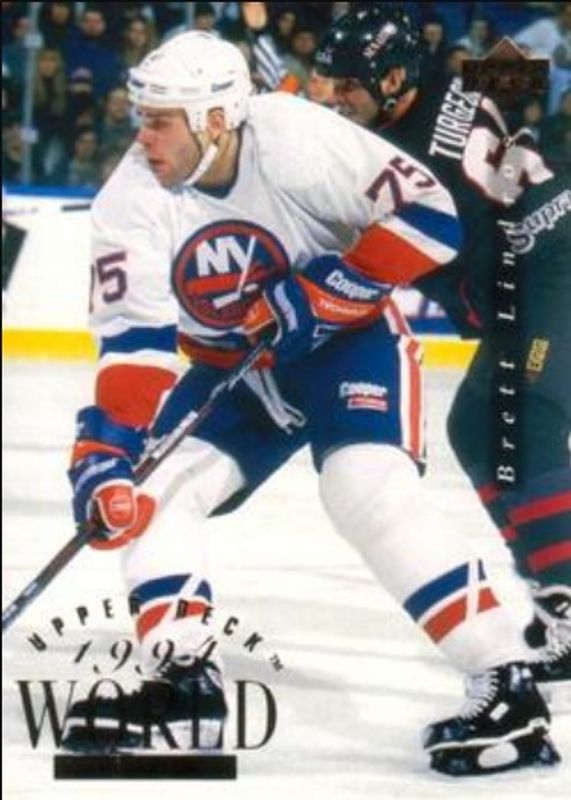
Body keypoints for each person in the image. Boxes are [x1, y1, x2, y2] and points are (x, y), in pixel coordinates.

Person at [62, 30, 560, 775]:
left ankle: (506, 682)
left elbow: (430, 218)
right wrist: (106, 454)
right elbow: (135, 346)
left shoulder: (293, 136)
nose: (144, 138)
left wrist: (327, 290)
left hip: (346, 344)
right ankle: (184, 684)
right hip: (236, 367)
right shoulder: (127, 203)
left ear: (216, 120)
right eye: (143, 117)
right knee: (151, 491)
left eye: (161, 121)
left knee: (363, 490)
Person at [315, 2, 570, 703]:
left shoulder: (403, 159)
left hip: (552, 267)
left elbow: (402, 253)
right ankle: (553, 591)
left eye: (349, 83)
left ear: (395, 77)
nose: (336, 97)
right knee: (474, 427)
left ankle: (567, 596)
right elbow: (533, 70)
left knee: (525, 418)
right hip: (540, 258)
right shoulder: (453, 76)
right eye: (332, 81)